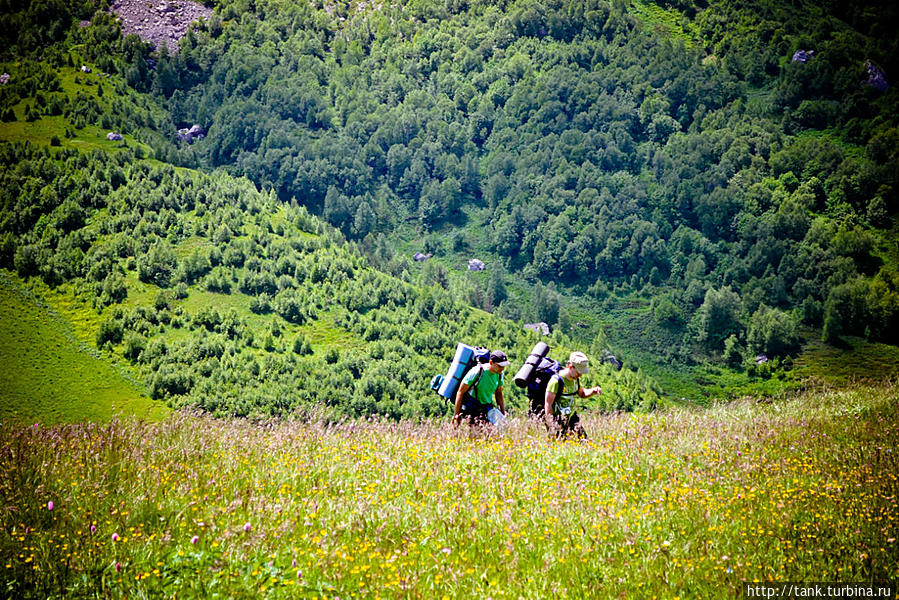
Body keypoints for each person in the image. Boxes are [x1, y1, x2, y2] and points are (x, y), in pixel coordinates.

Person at [544, 351, 601, 439]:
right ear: (571, 367)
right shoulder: (556, 381)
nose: (581, 375)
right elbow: (548, 405)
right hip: (558, 420)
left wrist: (593, 391)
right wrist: (551, 426)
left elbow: (582, 394)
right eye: (579, 372)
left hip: (572, 418)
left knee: (584, 442)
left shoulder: (575, 380)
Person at [452, 350, 509, 428]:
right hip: (472, 407)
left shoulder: (499, 374)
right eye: (499, 366)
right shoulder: (477, 371)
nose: (502, 368)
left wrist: (503, 414)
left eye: (504, 366)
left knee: (498, 430)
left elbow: (498, 393)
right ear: (491, 362)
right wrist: (456, 414)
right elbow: (460, 391)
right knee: (478, 434)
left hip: (487, 407)